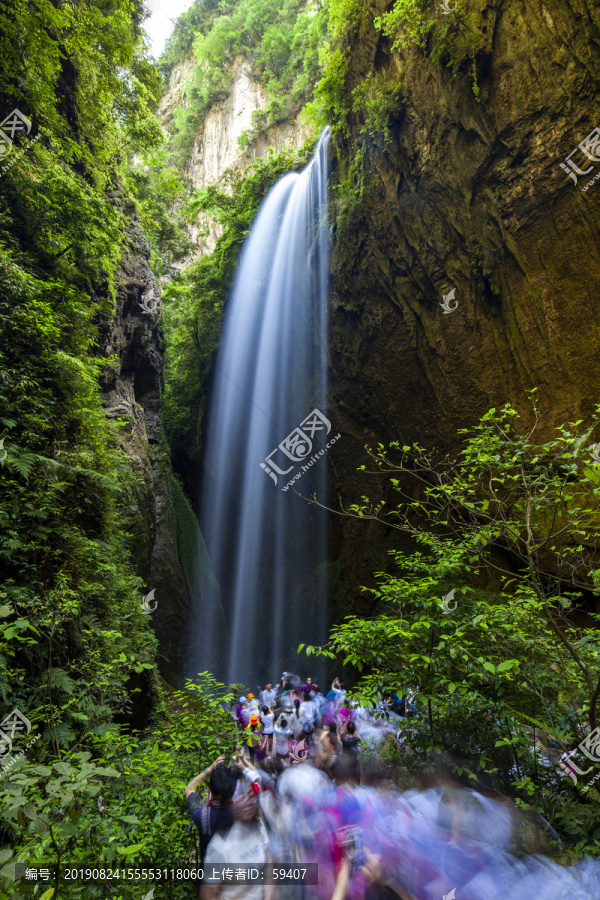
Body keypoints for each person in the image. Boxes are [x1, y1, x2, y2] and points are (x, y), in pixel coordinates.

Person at [201, 781, 274, 900]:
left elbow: (269, 862)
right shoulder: (219, 846)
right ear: (229, 802)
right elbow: (207, 894)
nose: (247, 802)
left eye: (250, 796)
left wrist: (269, 894)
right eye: (240, 796)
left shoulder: (258, 826)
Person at [185, 754, 241, 863]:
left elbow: (189, 788)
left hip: (209, 873)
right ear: (233, 789)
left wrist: (210, 769)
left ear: (210, 788)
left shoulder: (200, 815)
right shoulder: (241, 812)